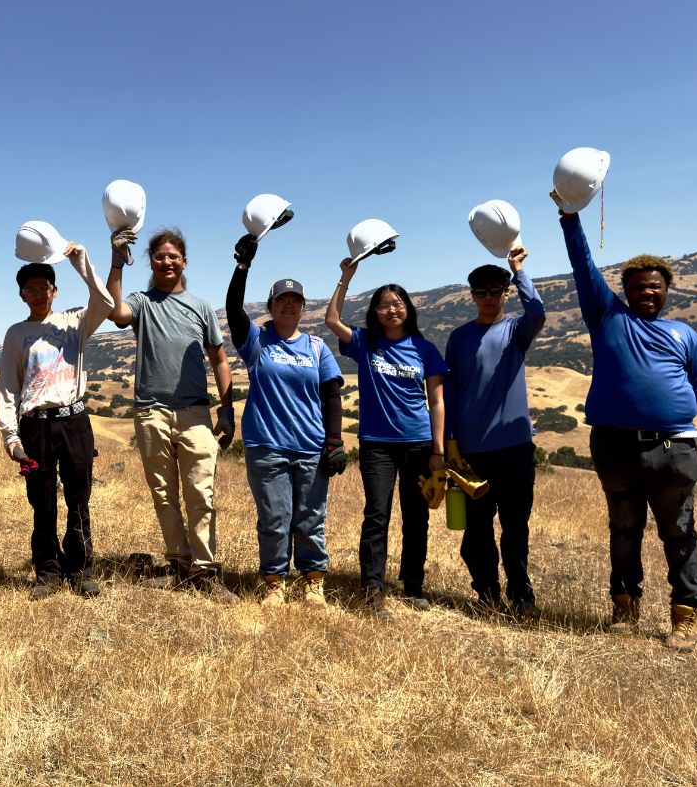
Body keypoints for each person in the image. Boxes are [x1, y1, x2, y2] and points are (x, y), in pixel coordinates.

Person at [555, 193, 697, 652]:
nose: (646, 292)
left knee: (679, 531)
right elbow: (583, 266)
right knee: (622, 529)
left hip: (674, 450)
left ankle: (686, 615)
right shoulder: (606, 317)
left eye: (654, 286)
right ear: (625, 290)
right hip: (615, 447)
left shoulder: (685, 335)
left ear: (667, 290)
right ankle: (624, 607)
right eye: (638, 286)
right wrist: (569, 217)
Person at [106, 227, 238, 602]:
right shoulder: (142, 302)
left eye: (173, 256)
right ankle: (180, 567)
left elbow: (219, 358)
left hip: (196, 412)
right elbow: (116, 313)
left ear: (184, 261)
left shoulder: (200, 307)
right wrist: (117, 261)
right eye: (159, 257)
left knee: (201, 492)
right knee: (164, 494)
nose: (166, 262)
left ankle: (206, 571)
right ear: (150, 262)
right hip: (151, 412)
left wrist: (226, 410)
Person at [227, 235, 346, 607]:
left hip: (311, 446)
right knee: (275, 518)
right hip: (267, 445)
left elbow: (331, 395)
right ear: (272, 306)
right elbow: (232, 310)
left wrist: (336, 441)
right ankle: (273, 581)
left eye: (295, 301)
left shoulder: (316, 347)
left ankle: (313, 579)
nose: (289, 306)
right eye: (282, 300)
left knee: (311, 517)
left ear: (302, 308)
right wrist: (242, 267)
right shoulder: (257, 342)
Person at [325, 259, 447, 619]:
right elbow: (332, 320)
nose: (392, 310)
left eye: (398, 304)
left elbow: (437, 401)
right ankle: (372, 589)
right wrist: (346, 278)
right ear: (375, 313)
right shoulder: (365, 343)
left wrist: (438, 450)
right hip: (377, 444)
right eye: (384, 305)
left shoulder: (425, 349)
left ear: (408, 309)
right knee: (376, 514)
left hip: (419, 443)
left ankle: (412, 585)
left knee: (416, 515)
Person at [0, 242, 115, 600]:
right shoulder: (17, 333)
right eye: (29, 289)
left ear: (54, 290)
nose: (37, 294)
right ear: (21, 295)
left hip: (74, 421)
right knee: (42, 500)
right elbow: (7, 386)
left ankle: (80, 570)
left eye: (43, 287)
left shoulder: (73, 322)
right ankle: (47, 572)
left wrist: (81, 262)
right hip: (36, 426)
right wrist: (10, 437)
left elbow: (107, 303)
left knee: (79, 499)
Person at [442, 248, 546, 622]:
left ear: (505, 292)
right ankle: (486, 594)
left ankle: (522, 596)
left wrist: (519, 271)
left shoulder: (518, 329)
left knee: (516, 528)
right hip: (472, 452)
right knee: (477, 533)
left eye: (496, 290)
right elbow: (450, 393)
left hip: (516, 448)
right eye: (481, 292)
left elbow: (538, 313)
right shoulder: (458, 338)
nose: (489, 297)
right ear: (471, 296)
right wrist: (449, 442)